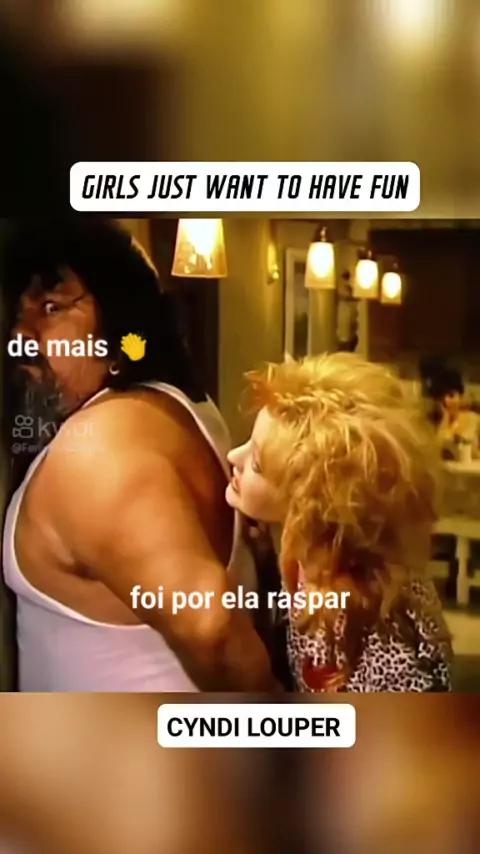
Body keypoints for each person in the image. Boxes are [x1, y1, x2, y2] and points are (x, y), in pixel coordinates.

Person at [1, 217, 275, 692]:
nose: (23, 336)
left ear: (119, 316)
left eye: (52, 308)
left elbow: (211, 625)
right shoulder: (167, 405)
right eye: (17, 315)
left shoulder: (100, 450)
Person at [226, 352, 453, 692]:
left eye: (257, 463)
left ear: (313, 501)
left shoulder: (385, 636)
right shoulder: (311, 549)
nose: (234, 456)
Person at [435, 369, 480, 460]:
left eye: (451, 395)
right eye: (443, 397)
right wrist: (446, 419)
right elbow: (435, 452)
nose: (446, 400)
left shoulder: (475, 419)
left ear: (461, 397)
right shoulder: (439, 422)